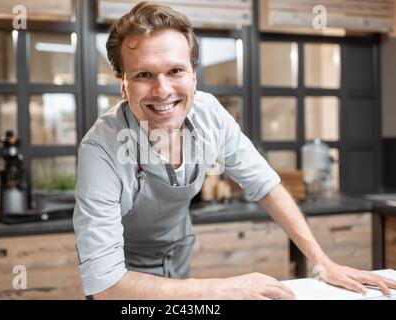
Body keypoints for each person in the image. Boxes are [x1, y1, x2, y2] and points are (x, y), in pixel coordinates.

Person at [73, 1, 396, 300]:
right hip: (126, 286)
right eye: (144, 75)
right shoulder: (100, 149)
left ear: (194, 77)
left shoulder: (209, 114)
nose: (163, 90)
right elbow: (106, 284)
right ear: (124, 86)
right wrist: (224, 288)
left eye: (175, 71)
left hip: (178, 270)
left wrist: (323, 262)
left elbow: (266, 185)